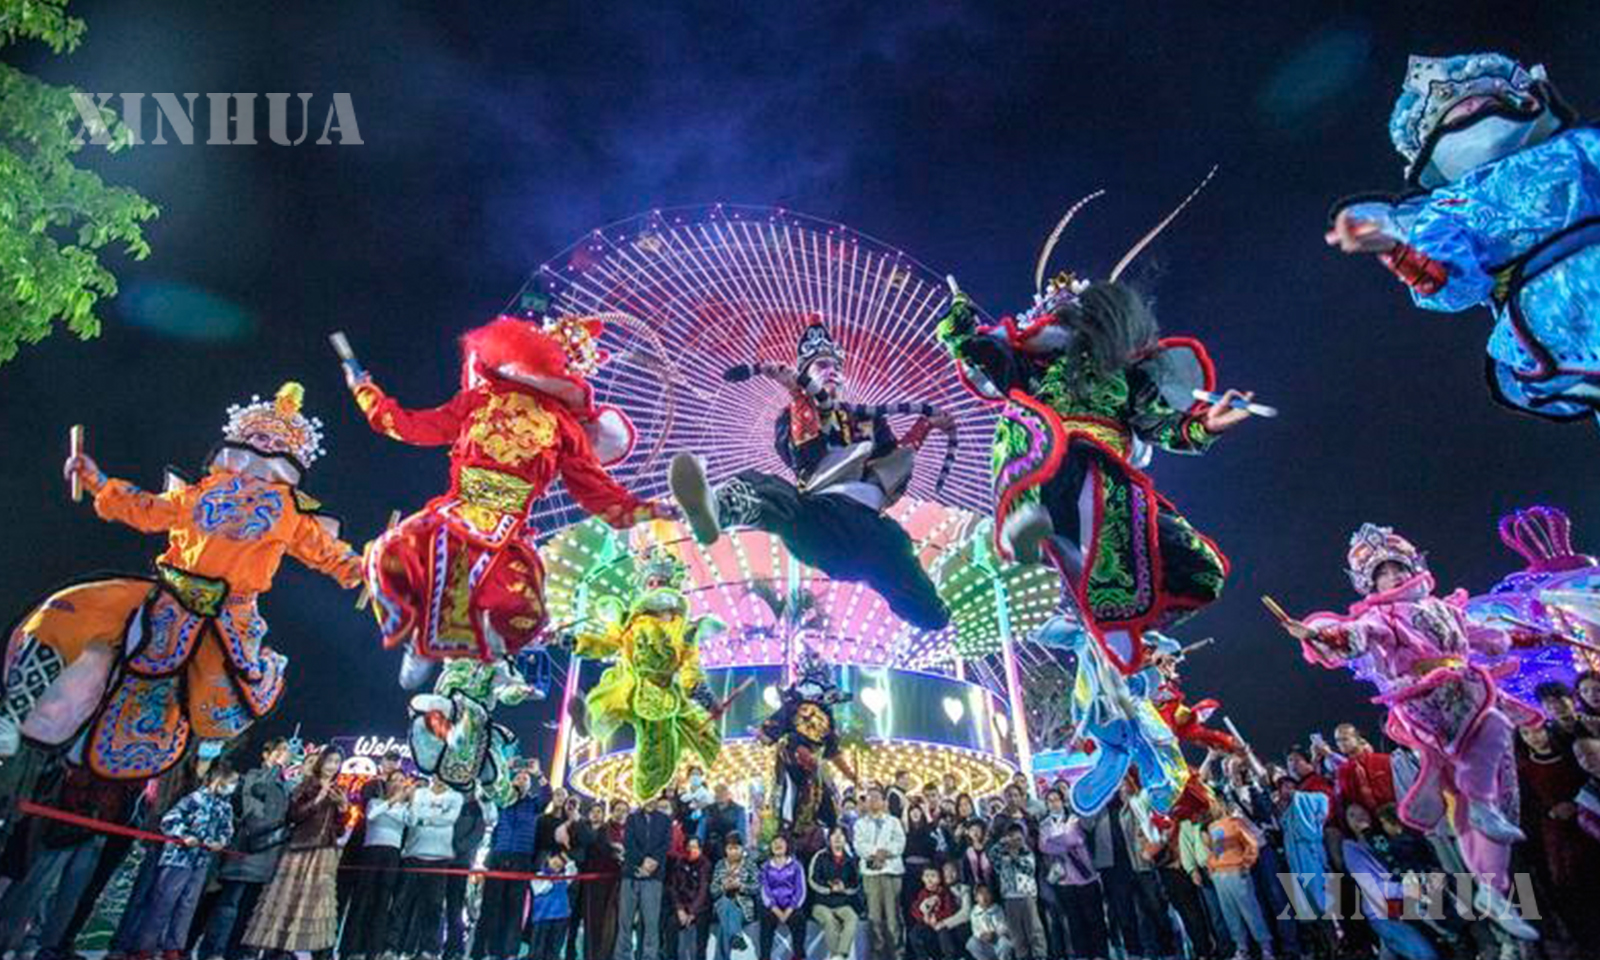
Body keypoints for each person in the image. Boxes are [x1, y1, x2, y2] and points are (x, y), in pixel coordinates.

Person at [1, 383, 360, 794]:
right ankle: (12, 715)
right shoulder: (201, 490)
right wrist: (98, 481)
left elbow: (328, 553)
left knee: (221, 706)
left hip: (228, 616)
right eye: (259, 437)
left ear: (293, 457)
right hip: (165, 593)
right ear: (240, 440)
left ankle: (190, 778)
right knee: (69, 611)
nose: (266, 446)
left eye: (278, 443)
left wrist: (372, 566)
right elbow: (150, 510)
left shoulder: (294, 514)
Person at [936, 257, 1255, 680]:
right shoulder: (1034, 367)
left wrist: (1205, 425)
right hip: (1047, 455)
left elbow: (1159, 424)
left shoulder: (1129, 378)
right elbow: (974, 351)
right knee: (1068, 454)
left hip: (1115, 485)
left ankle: (1111, 616)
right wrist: (959, 320)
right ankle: (1032, 519)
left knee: (1203, 570)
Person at [345, 312, 669, 676]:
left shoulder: (566, 428)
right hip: (455, 512)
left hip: (506, 532)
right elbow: (412, 426)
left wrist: (649, 509)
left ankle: (471, 661)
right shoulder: (481, 399)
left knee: (519, 608)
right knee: (389, 555)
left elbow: (598, 491)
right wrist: (366, 393)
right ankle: (420, 639)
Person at [1280, 523, 1547, 923]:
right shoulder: (1381, 615)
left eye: (1397, 568)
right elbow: (1356, 634)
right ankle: (1484, 839)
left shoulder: (1443, 608)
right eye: (1382, 573)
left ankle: (1495, 888)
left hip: (1468, 688)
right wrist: (1323, 635)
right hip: (1428, 699)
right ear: (1370, 582)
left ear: (1412, 566)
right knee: (1482, 748)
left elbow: (1487, 636)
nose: (1392, 576)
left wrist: (1531, 637)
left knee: (1497, 775)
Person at [1325, 52, 1600, 429]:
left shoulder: (1576, 147)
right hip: (1555, 315)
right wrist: (1396, 251)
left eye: (1479, 98)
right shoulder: (1447, 208)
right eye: (1451, 112)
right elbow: (1455, 284)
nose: (1467, 104)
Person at [670, 322, 953, 632]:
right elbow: (808, 457)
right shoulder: (790, 416)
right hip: (822, 518)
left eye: (835, 366)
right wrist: (798, 395)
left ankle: (931, 612)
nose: (831, 371)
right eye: (821, 366)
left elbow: (891, 463)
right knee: (775, 493)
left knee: (899, 552)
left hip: (869, 526)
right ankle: (715, 508)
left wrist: (926, 425)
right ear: (806, 374)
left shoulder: (869, 419)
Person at [578, 550, 726, 800]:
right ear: (645, 587)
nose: (656, 586)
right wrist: (577, 642)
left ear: (671, 586)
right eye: (651, 582)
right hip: (638, 689)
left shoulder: (685, 629)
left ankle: (663, 791)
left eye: (661, 582)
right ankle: (648, 796)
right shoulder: (629, 623)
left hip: (669, 691)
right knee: (654, 746)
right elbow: (608, 644)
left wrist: (704, 695)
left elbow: (690, 665)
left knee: (707, 735)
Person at [243, 746, 349, 959]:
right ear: (321, 762)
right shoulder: (307, 784)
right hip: (300, 847)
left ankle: (306, 948)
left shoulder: (339, 790)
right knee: (287, 897)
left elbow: (338, 830)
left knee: (315, 902)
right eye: (329, 761)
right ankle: (276, 947)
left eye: (337, 762)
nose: (332, 766)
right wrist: (318, 799)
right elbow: (293, 815)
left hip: (324, 852)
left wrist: (343, 809)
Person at [127, 762, 239, 957]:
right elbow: (169, 820)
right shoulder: (194, 799)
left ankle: (173, 947)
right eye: (230, 782)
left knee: (187, 905)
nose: (232, 787)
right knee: (163, 902)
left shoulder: (225, 807)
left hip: (201, 862)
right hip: (178, 859)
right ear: (218, 780)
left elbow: (227, 830)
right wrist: (184, 835)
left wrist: (220, 842)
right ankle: (145, 946)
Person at [1516, 722, 1600, 946]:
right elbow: (1528, 804)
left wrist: (1577, 804)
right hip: (1557, 832)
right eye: (1526, 733)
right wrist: (1550, 812)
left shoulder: (1573, 755)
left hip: (1590, 817)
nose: (1533, 737)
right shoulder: (1524, 768)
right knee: (1575, 883)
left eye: (1537, 730)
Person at [388, 776, 464, 960]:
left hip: (440, 858)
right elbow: (413, 818)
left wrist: (425, 819)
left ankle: (428, 949)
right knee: (401, 904)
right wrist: (431, 818)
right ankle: (391, 947)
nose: (441, 778)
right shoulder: (420, 793)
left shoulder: (456, 797)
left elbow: (449, 819)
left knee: (434, 907)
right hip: (413, 855)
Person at [477, 769, 547, 960]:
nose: (521, 780)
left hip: (522, 858)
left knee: (515, 908)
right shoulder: (502, 802)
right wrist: (503, 771)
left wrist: (538, 774)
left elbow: (547, 796)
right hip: (499, 856)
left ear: (529, 785)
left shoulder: (533, 804)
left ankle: (510, 951)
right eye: (518, 778)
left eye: (525, 779)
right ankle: (492, 950)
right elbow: (485, 797)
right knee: (494, 905)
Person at [343, 769, 412, 960]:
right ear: (387, 784)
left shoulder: (405, 808)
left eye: (401, 780)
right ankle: (351, 948)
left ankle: (373, 949)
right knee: (362, 898)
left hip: (392, 856)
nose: (397, 783)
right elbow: (372, 815)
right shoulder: (375, 802)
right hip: (371, 853)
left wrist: (396, 806)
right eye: (394, 780)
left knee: (383, 901)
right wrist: (392, 802)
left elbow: (408, 820)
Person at [1205, 799, 1274, 960]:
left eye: (1214, 804)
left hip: (1236, 872)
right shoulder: (1211, 827)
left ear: (1222, 805)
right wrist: (1211, 868)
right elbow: (1213, 851)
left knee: (1251, 911)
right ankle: (1242, 949)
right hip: (1220, 876)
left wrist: (1246, 864)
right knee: (1230, 914)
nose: (1212, 808)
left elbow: (1251, 843)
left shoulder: (1235, 822)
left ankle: (1266, 948)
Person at [852, 787, 905, 960]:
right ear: (866, 802)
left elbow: (900, 843)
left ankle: (897, 953)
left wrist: (885, 853)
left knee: (893, 916)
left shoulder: (893, 821)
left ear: (884, 802)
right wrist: (876, 853)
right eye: (870, 798)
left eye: (877, 797)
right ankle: (877, 953)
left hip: (891, 872)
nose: (873, 801)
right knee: (874, 916)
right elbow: (859, 846)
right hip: (871, 874)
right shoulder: (859, 824)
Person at [619, 793, 673, 960]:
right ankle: (623, 956)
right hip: (631, 874)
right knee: (625, 921)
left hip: (653, 876)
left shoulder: (665, 820)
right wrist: (642, 861)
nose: (650, 800)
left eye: (653, 796)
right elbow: (628, 843)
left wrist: (653, 861)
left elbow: (665, 844)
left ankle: (650, 956)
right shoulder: (632, 818)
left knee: (651, 923)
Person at [575, 800, 627, 960]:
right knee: (592, 921)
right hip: (591, 881)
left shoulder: (609, 831)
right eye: (594, 811)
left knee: (609, 922)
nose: (596, 815)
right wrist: (614, 848)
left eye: (599, 812)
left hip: (612, 882)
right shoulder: (586, 828)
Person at [807, 825, 862, 960]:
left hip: (842, 903)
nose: (837, 838)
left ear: (845, 839)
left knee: (852, 918)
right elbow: (812, 880)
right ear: (829, 838)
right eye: (834, 834)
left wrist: (844, 888)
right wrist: (829, 888)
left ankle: (840, 955)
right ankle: (837, 956)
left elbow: (856, 884)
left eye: (841, 835)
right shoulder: (820, 856)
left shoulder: (850, 860)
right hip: (821, 903)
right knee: (829, 921)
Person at [759, 834, 808, 960]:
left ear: (787, 846)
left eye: (781, 842)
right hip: (772, 906)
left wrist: (789, 909)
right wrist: (775, 909)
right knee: (766, 920)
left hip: (791, 905)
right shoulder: (765, 867)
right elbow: (765, 890)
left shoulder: (796, 866)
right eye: (774, 842)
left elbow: (801, 890)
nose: (777, 844)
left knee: (799, 919)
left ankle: (798, 956)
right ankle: (765, 957)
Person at [711, 834, 758, 960]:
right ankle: (736, 935)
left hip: (743, 907)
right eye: (730, 848)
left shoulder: (750, 865)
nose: (733, 852)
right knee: (725, 903)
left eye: (736, 848)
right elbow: (713, 890)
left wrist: (741, 886)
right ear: (725, 849)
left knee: (724, 926)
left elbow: (756, 887)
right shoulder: (720, 865)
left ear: (742, 848)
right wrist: (724, 887)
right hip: (721, 907)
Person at [668, 835, 713, 960]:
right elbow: (673, 888)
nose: (691, 850)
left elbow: (703, 892)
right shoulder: (679, 863)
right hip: (683, 906)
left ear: (700, 849)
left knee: (702, 928)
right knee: (671, 924)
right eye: (689, 847)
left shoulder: (705, 864)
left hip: (700, 908)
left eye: (694, 847)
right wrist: (679, 909)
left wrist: (692, 912)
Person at [529, 849, 579, 960]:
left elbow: (573, 871)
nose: (558, 862)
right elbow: (540, 890)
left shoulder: (564, 877)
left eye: (561, 860)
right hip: (542, 918)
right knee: (538, 949)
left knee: (554, 949)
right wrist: (551, 877)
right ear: (548, 858)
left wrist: (567, 859)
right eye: (555, 859)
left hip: (561, 918)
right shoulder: (539, 876)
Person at [907, 865, 956, 960]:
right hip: (926, 924)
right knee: (914, 934)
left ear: (940, 879)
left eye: (933, 876)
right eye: (926, 876)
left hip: (940, 923)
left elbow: (949, 910)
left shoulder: (944, 893)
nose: (929, 880)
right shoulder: (922, 893)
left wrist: (937, 917)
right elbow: (915, 909)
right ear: (922, 878)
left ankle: (949, 957)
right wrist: (923, 917)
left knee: (943, 934)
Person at [964, 884, 1011, 960]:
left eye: (987, 893)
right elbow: (975, 929)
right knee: (971, 943)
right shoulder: (974, 912)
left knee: (1005, 943)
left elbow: (1003, 925)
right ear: (976, 898)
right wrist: (981, 935)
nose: (984, 897)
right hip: (985, 944)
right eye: (981, 894)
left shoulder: (997, 909)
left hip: (997, 942)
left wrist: (994, 933)